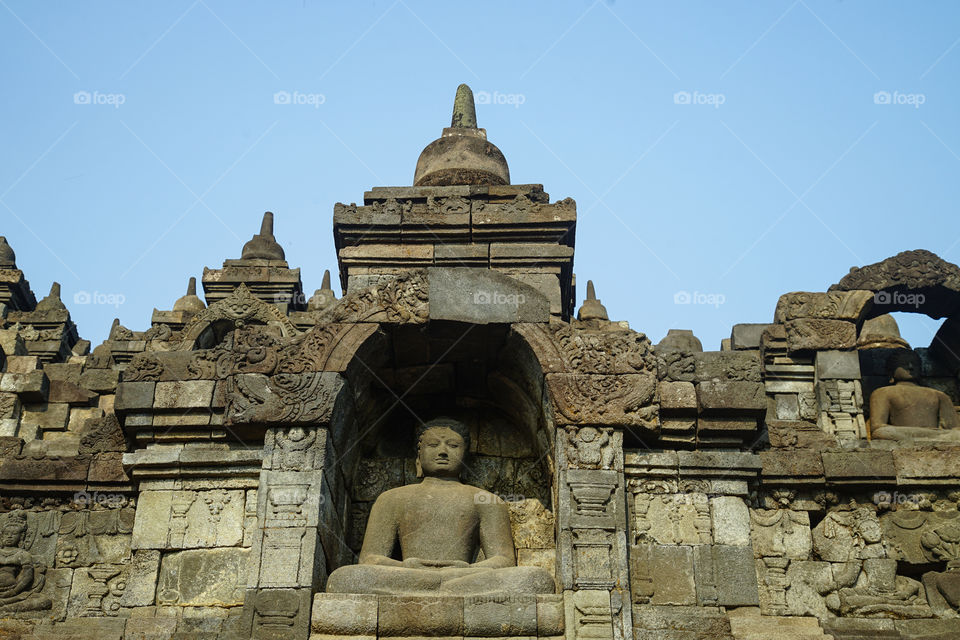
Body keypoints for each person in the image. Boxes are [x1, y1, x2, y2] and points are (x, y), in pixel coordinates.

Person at [326, 417, 554, 596]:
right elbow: (371, 559)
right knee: (345, 579)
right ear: (418, 455)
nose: (443, 451)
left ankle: (443, 588)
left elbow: (504, 561)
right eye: (433, 444)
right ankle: (440, 588)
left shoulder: (486, 500)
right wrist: (410, 568)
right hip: (409, 577)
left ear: (466, 457)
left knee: (534, 580)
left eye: (453, 445)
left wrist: (464, 570)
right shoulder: (392, 499)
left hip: (464, 579)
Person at [869, 350, 960, 443]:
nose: (910, 367)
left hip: (935, 434)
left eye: (915, 364)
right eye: (903, 364)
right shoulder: (883, 392)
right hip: (905, 433)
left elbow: (955, 428)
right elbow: (877, 426)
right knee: (882, 432)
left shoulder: (939, 395)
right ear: (891, 371)